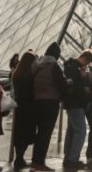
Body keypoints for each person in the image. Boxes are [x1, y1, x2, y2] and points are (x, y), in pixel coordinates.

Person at [32, 42, 67, 171]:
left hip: (37, 102)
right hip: (50, 103)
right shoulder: (54, 67)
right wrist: (68, 84)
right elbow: (62, 85)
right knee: (45, 133)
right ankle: (39, 162)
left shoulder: (37, 65)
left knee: (39, 132)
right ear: (57, 55)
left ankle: (35, 161)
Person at [63, 50, 92, 169]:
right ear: (85, 59)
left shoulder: (70, 66)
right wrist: (84, 89)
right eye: (88, 63)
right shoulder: (74, 68)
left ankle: (68, 158)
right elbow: (73, 87)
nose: (86, 66)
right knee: (81, 131)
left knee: (71, 131)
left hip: (71, 104)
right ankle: (73, 159)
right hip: (76, 104)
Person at [11, 51, 38, 169]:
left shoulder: (17, 73)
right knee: (27, 133)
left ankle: (19, 157)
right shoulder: (29, 74)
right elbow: (31, 91)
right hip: (28, 107)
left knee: (19, 133)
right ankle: (19, 159)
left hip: (19, 106)